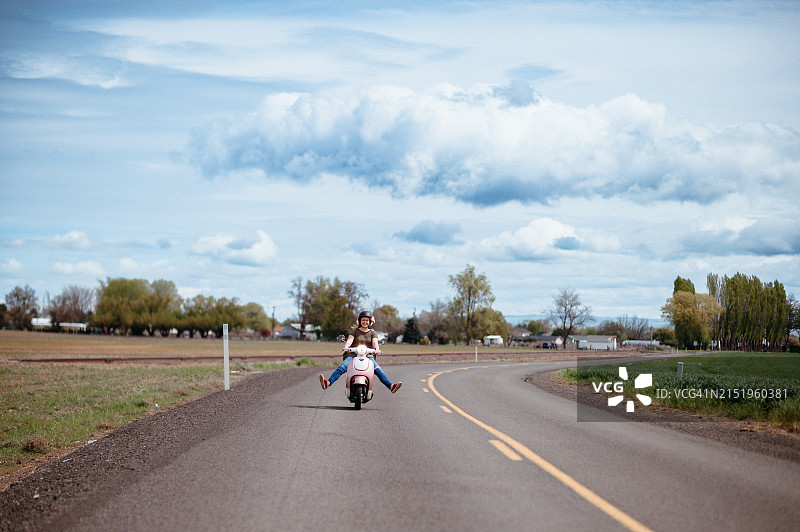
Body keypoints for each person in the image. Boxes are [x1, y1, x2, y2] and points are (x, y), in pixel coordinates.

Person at [320, 310, 403, 393]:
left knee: (378, 370)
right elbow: (349, 341)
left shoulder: (372, 332)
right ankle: (328, 383)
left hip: (368, 356)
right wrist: (346, 347)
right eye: (363, 320)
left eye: (367, 320)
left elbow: (375, 343)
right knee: (342, 367)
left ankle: (391, 386)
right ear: (359, 321)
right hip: (354, 354)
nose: (365, 322)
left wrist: (377, 349)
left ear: (370, 321)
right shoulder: (355, 331)